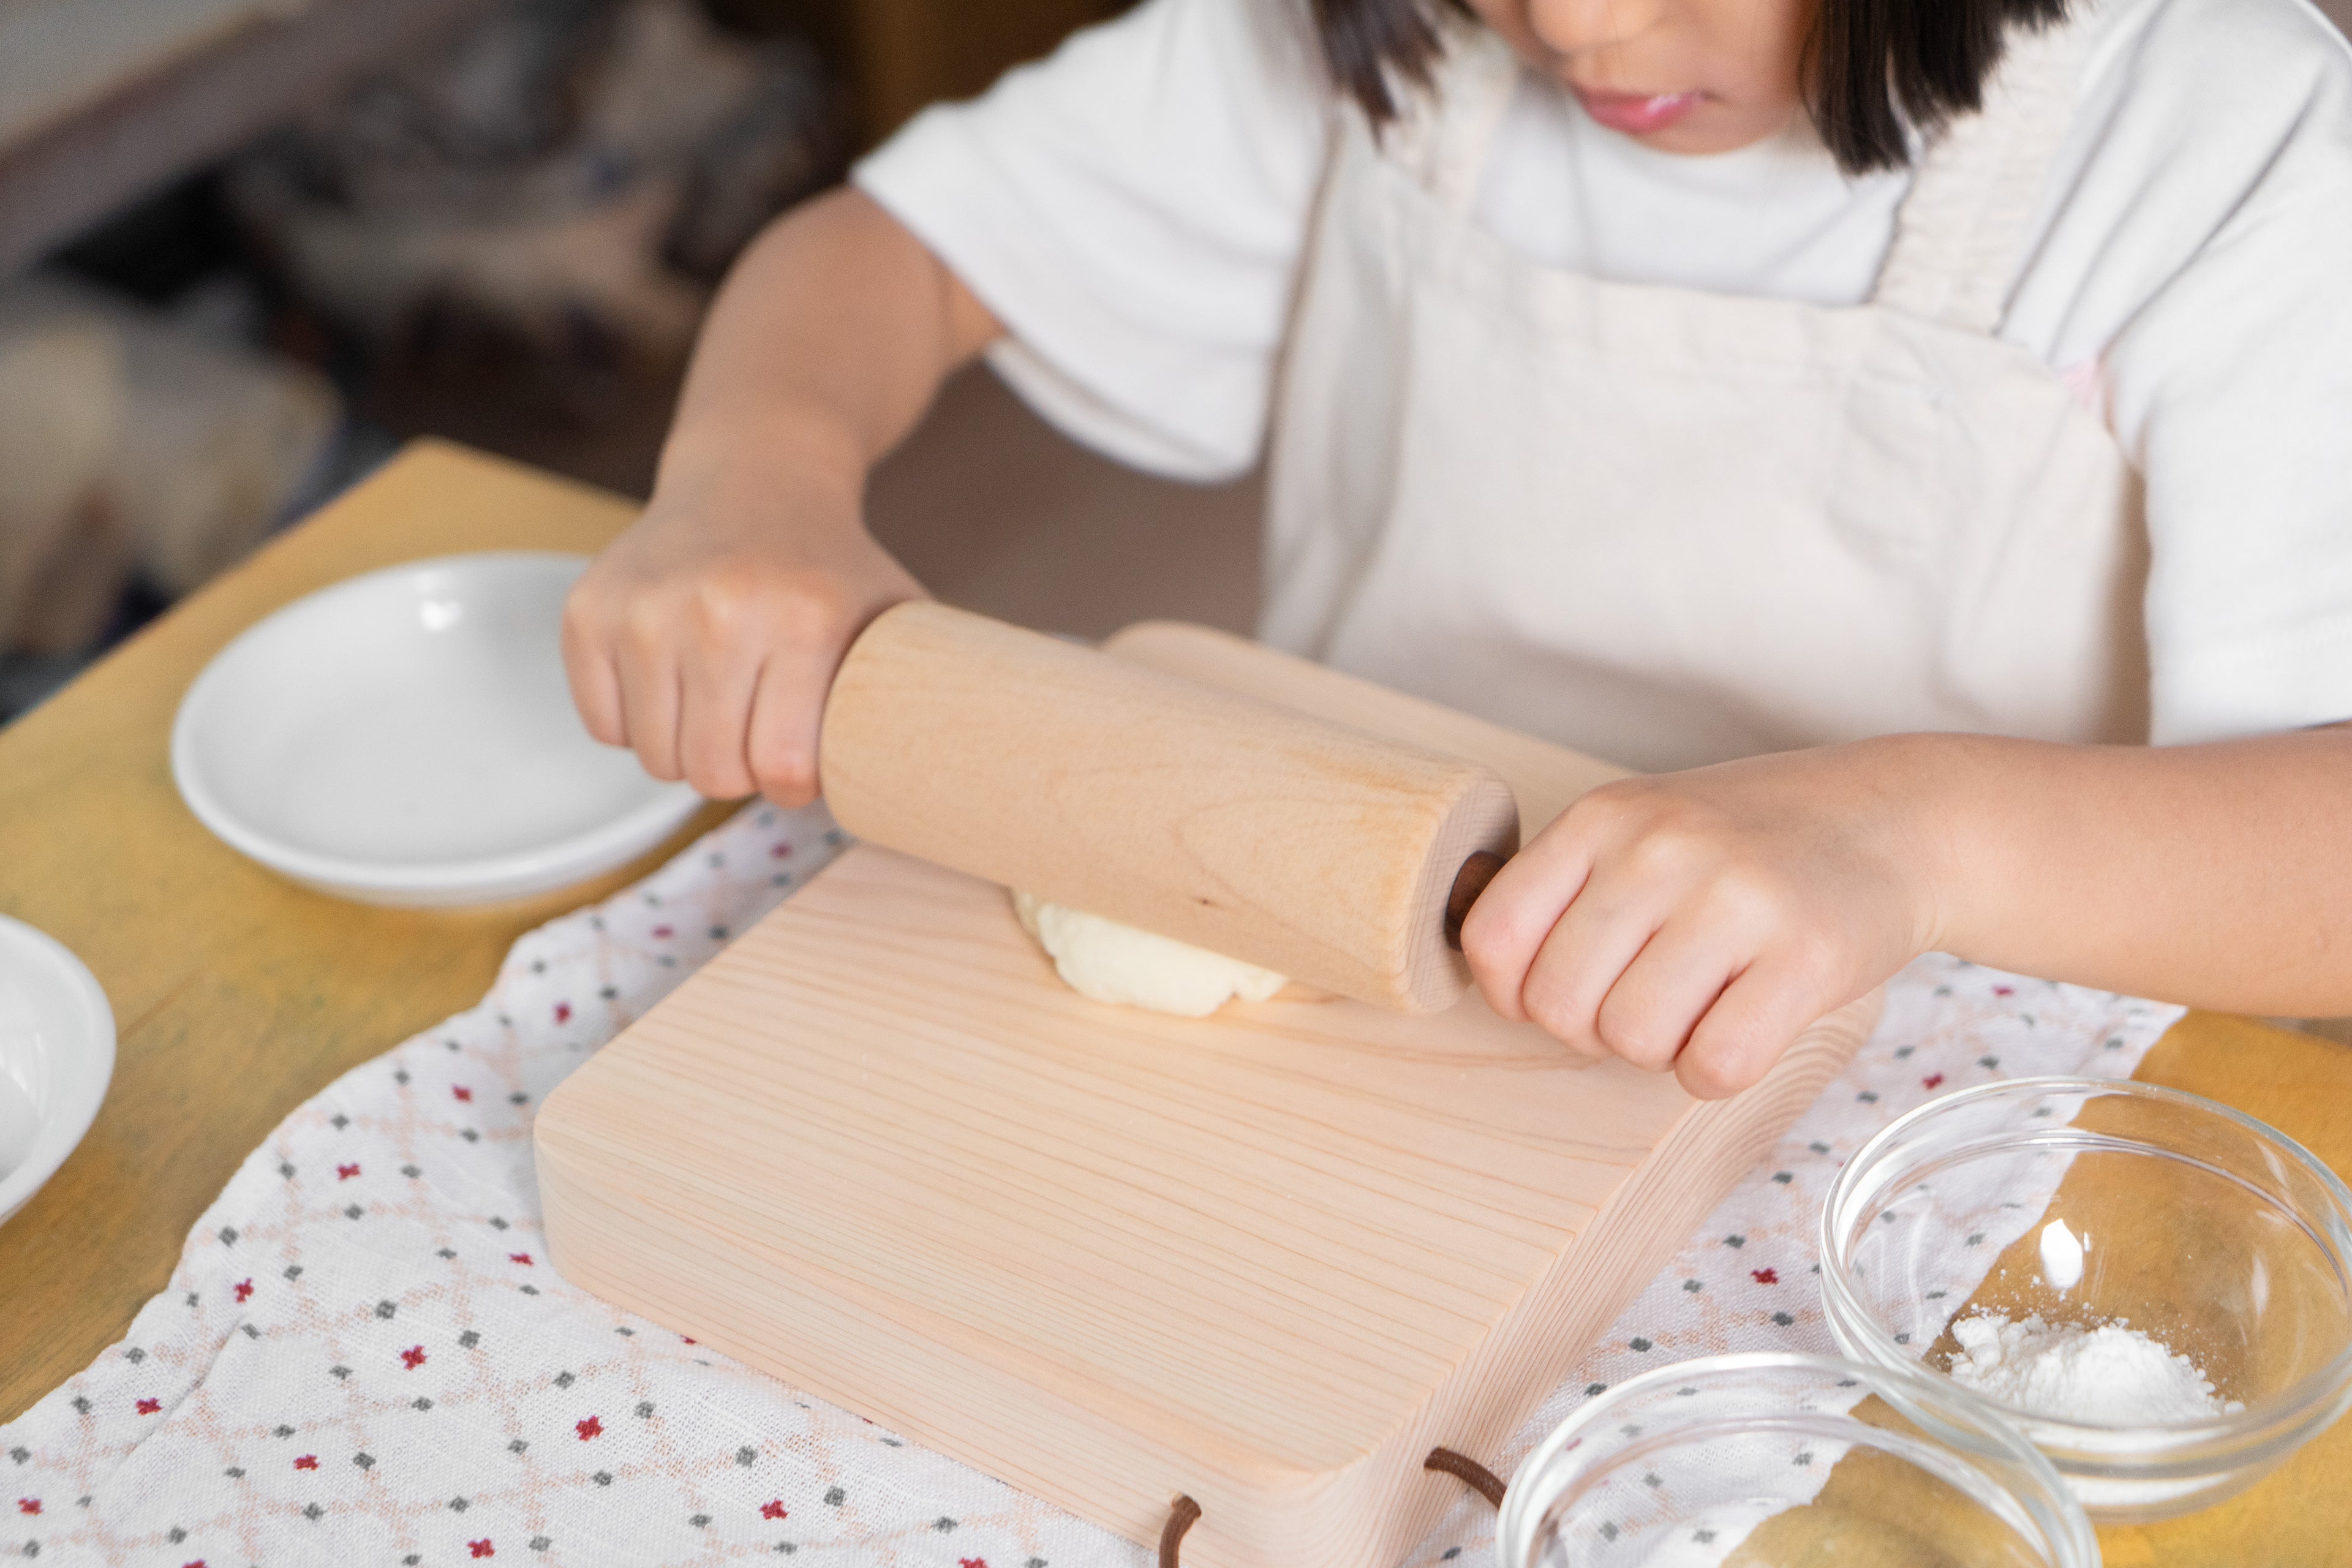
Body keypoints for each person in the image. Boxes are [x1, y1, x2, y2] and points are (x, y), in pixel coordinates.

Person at [561, 0, 2352, 1096]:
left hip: (1927, 1111)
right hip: (1353, 1018)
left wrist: (1911, 835)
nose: (1575, 25)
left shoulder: (2233, 139)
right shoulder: (1410, 41)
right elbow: (907, 249)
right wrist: (752, 478)